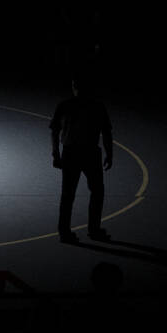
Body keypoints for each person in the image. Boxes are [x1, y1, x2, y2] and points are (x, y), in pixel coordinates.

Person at [50, 76, 114, 243]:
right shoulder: (97, 106)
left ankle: (64, 231)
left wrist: (55, 153)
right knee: (97, 192)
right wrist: (109, 153)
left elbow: (55, 131)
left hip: (71, 152)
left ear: (74, 86)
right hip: (91, 152)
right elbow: (106, 132)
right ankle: (94, 229)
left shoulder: (65, 105)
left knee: (68, 194)